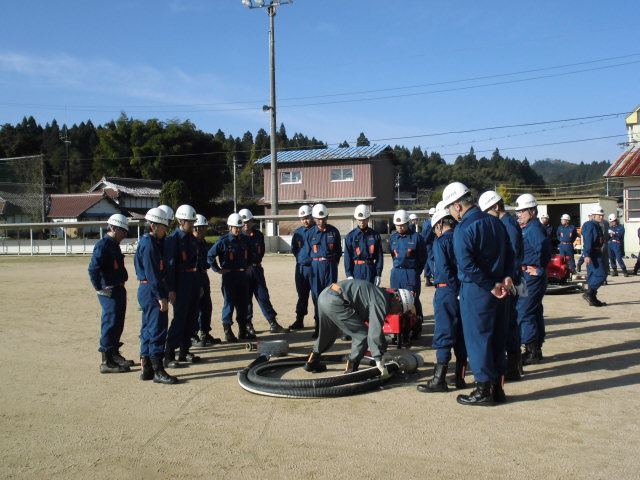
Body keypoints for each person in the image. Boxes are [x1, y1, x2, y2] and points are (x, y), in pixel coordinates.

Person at [442, 182, 513, 406]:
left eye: (452, 209)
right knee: (497, 338)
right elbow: (510, 252)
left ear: (457, 205)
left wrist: (490, 285)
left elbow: (466, 266)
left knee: (478, 339)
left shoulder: (464, 228)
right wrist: (507, 276)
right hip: (502, 289)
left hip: (478, 290)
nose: (453, 214)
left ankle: (483, 390)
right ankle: (497, 389)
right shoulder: (495, 222)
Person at [303, 279, 414, 376]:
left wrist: (383, 350)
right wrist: (378, 358)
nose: (397, 313)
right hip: (337, 300)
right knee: (362, 335)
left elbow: (376, 329)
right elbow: (373, 331)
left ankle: (312, 361)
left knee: (328, 333)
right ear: (397, 299)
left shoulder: (379, 294)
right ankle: (351, 369)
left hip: (325, 295)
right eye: (399, 310)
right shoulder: (382, 300)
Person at [416, 203, 467, 393]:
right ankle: (460, 377)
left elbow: (444, 270)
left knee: (444, 333)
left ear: (438, 225)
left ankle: (439, 379)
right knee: (461, 334)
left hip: (447, 291)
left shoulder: (441, 242)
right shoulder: (461, 238)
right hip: (463, 290)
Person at [478, 190, 524, 381]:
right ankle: (511, 365)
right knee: (508, 321)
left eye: (487, 211)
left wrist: (508, 278)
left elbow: (513, 255)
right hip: (512, 278)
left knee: (510, 321)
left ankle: (513, 368)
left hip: (513, 280)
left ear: (496, 207)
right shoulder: (503, 223)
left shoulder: (507, 224)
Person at [134, 208, 178, 384]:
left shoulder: (148, 242)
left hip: (147, 289)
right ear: (153, 226)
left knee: (147, 329)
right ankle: (158, 369)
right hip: (152, 290)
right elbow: (153, 273)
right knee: (158, 329)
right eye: (163, 227)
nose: (165, 230)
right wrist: (161, 296)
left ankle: (147, 368)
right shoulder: (150, 245)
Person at [88, 213, 133, 374]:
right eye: (123, 231)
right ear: (113, 228)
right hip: (109, 290)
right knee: (110, 322)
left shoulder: (113, 244)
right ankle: (106, 361)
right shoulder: (103, 245)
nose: (124, 235)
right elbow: (93, 268)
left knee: (118, 321)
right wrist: (99, 287)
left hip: (118, 288)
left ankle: (114, 353)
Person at [514, 194, 551, 365]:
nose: (519, 214)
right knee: (533, 311)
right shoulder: (528, 226)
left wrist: (541, 269)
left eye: (522, 211)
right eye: (518, 211)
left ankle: (530, 350)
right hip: (524, 275)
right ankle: (535, 348)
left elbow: (544, 248)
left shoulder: (534, 227)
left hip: (531, 276)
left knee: (525, 311)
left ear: (532, 210)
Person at [164, 204, 202, 368]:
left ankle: (185, 351)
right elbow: (170, 267)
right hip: (180, 281)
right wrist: (171, 289)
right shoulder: (173, 240)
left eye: (193, 221)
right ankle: (169, 353)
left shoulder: (193, 239)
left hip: (192, 279)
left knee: (192, 318)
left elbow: (197, 264)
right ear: (181, 220)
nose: (193, 224)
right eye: (189, 221)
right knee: (179, 318)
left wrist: (199, 284)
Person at [239, 208, 286, 334]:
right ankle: (248, 324)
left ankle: (272, 322)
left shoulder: (258, 235)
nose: (245, 224)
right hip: (245, 271)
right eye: (243, 222)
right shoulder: (238, 236)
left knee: (263, 296)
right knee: (247, 298)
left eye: (248, 221)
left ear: (251, 221)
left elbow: (262, 252)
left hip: (257, 269)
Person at [208, 213, 254, 341]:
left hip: (242, 276)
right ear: (229, 227)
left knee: (243, 304)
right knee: (229, 303)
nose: (238, 230)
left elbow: (250, 253)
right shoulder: (223, 241)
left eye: (239, 227)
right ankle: (228, 331)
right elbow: (210, 256)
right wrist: (217, 269)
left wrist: (249, 265)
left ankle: (242, 330)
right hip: (229, 276)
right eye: (235, 227)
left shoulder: (245, 240)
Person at [305, 204, 342, 338]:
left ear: (327, 217)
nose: (321, 221)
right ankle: (318, 326)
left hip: (331, 266)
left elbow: (338, 251)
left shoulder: (334, 231)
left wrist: (332, 263)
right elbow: (307, 252)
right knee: (316, 297)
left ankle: (331, 327)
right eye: (318, 218)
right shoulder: (309, 233)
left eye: (323, 218)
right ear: (314, 218)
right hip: (316, 267)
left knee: (331, 296)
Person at [390, 209, 426, 339]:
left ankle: (416, 326)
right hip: (396, 273)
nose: (399, 227)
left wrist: (416, 271)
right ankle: (400, 327)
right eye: (397, 225)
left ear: (407, 223)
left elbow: (422, 258)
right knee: (396, 300)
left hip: (411, 273)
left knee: (412, 300)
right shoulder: (393, 237)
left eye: (402, 225)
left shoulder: (417, 238)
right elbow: (392, 254)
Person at [192, 214, 221, 346]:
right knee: (195, 307)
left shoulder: (202, 242)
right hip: (195, 276)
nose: (206, 230)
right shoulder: (191, 243)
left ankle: (205, 333)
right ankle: (192, 335)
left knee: (206, 307)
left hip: (204, 275)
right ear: (197, 228)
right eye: (203, 227)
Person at [289, 205, 315, 331]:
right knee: (302, 295)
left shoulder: (317, 230)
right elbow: (294, 248)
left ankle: (319, 322)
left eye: (307, 218)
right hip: (301, 268)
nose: (305, 221)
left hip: (315, 268)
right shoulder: (298, 232)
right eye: (302, 218)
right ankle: (299, 320)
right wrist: (301, 258)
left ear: (312, 217)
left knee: (317, 296)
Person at [344, 204, 383, 285]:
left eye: (364, 219)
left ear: (368, 218)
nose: (361, 222)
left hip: (370, 269)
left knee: (369, 295)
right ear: (356, 219)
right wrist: (349, 274)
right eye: (359, 220)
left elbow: (379, 257)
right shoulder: (350, 236)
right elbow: (347, 257)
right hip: (356, 270)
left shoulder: (375, 235)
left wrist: (378, 274)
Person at [581, 205, 608, 306]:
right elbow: (588, 240)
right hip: (593, 254)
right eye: (598, 215)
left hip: (597, 252)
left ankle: (592, 297)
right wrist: (587, 254)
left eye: (602, 215)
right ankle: (589, 293)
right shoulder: (590, 225)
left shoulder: (597, 225)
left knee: (592, 276)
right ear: (593, 215)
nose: (601, 217)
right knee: (601, 275)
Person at [421, 207, 436, 286]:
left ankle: (427, 279)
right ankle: (435, 277)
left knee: (427, 261)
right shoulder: (431, 224)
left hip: (425, 244)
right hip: (429, 244)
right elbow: (427, 236)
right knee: (431, 260)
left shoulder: (425, 222)